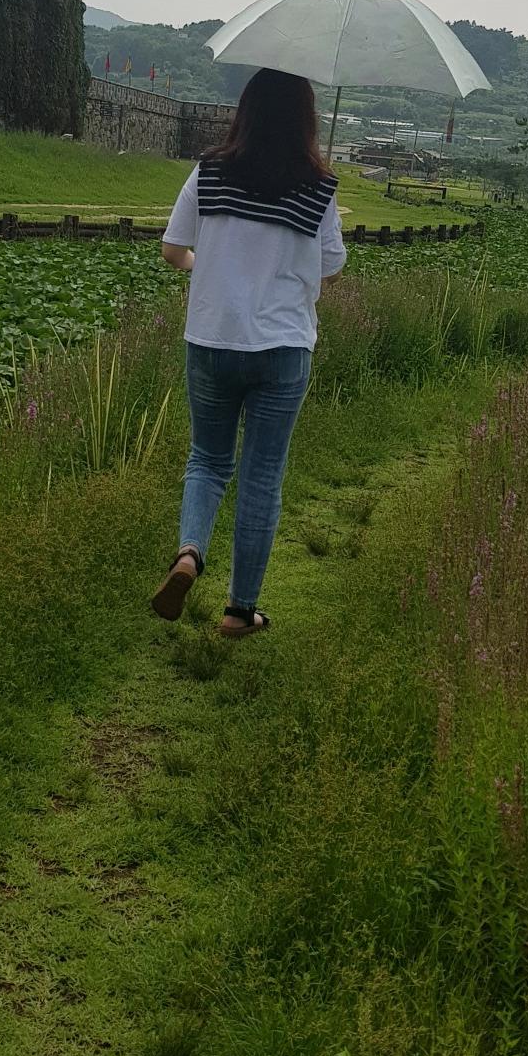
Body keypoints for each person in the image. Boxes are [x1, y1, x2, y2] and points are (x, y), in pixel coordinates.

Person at [151, 68, 346, 639]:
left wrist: (204, 266)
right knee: (263, 475)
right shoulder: (319, 187)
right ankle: (239, 612)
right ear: (306, 120)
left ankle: (189, 554)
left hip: (212, 338)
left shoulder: (209, 171)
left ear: (246, 111)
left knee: (207, 460)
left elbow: (172, 249)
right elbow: (331, 266)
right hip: (283, 346)